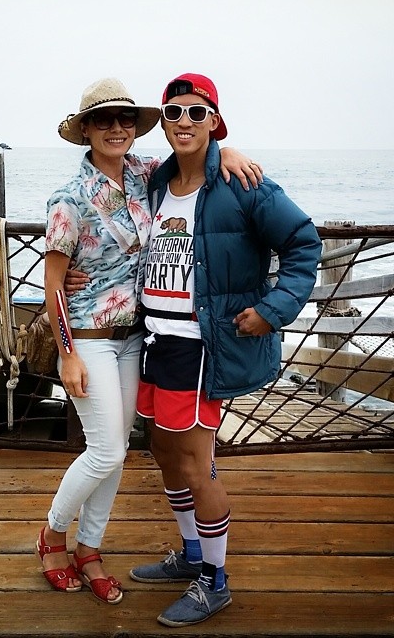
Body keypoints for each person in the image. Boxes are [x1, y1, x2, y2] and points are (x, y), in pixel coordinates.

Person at [39, 77, 262, 605]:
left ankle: (90, 549)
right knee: (106, 450)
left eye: (125, 119)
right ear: (86, 130)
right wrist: (67, 354)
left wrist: (226, 148)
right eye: (103, 120)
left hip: (139, 338)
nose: (116, 128)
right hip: (90, 339)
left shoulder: (146, 175)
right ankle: (52, 534)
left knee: (116, 455)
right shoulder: (69, 199)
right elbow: (53, 286)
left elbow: (196, 161)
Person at [127, 73, 322, 627]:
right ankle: (192, 554)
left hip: (201, 347)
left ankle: (215, 581)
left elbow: (303, 243)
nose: (184, 121)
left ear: (214, 120)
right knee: (164, 453)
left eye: (197, 112)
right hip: (155, 342)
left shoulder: (244, 183)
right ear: (163, 123)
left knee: (196, 464)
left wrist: (273, 309)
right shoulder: (156, 181)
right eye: (173, 113)